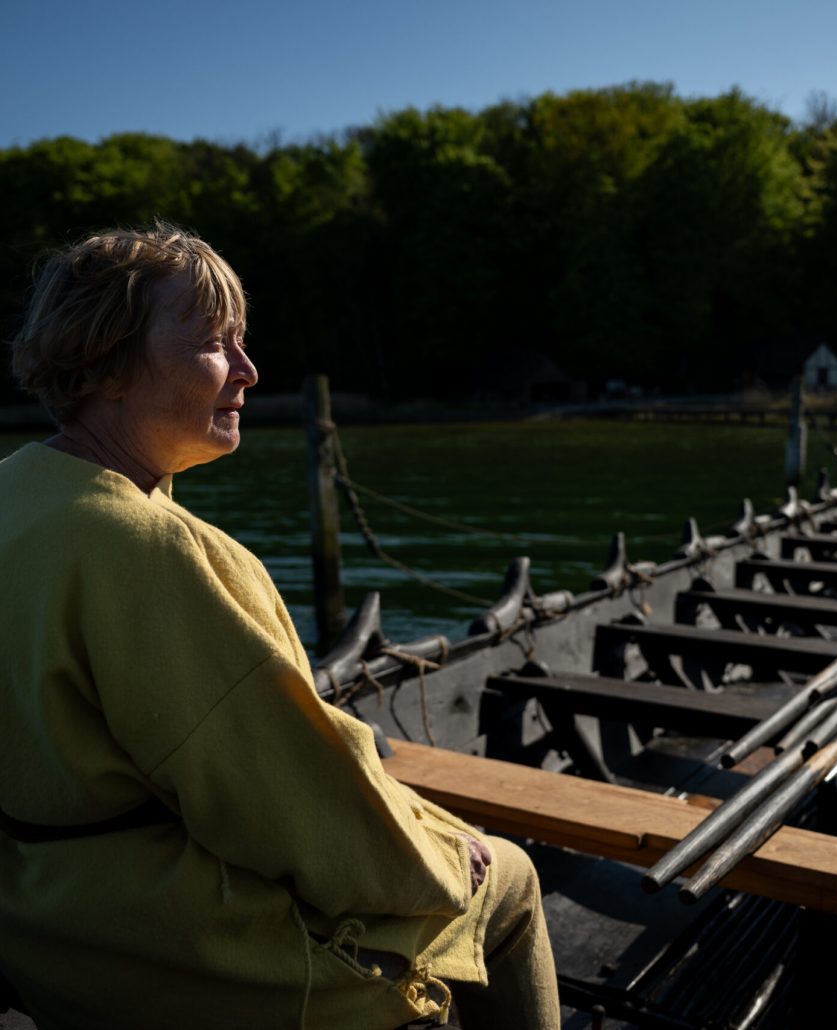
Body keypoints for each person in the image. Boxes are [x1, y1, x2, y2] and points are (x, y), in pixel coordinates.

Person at [0, 225, 559, 1030]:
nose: (250, 372)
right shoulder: (153, 550)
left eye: (242, 343)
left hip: (39, 925)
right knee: (508, 880)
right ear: (106, 364)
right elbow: (299, 810)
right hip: (174, 951)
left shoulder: (17, 494)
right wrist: (442, 857)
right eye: (213, 344)